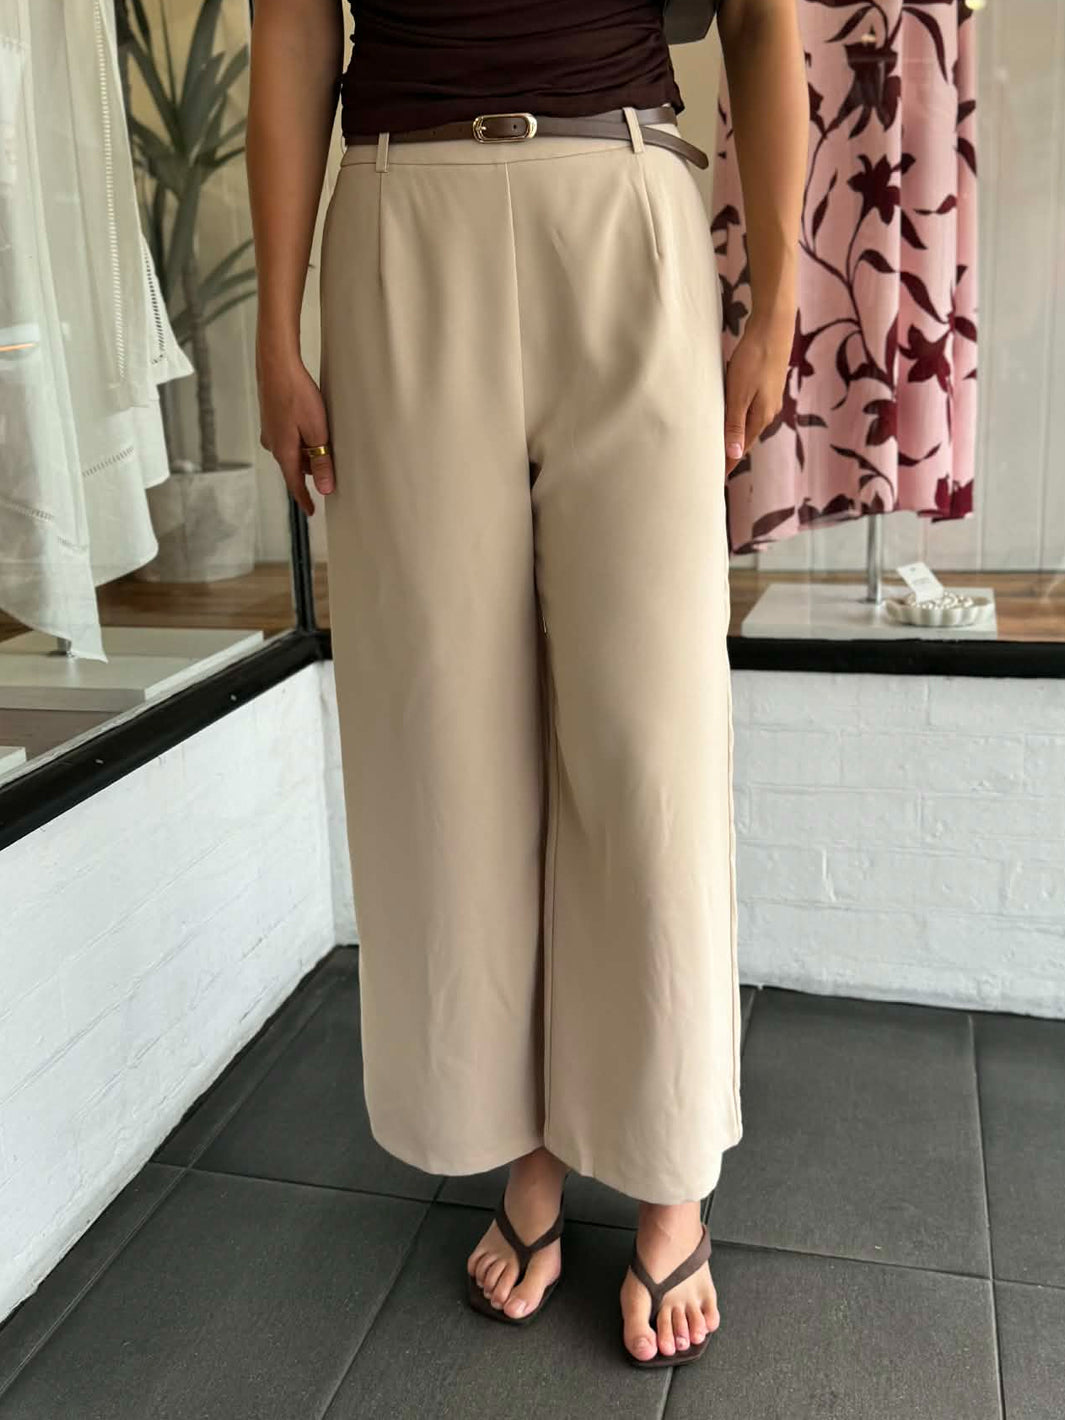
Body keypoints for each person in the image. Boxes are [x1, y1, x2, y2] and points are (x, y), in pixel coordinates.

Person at [247, 0, 806, 1368]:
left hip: (623, 195)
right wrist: (273, 323)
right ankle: (527, 1144)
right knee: (446, 734)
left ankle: (668, 1164)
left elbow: (759, 18)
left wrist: (778, 299)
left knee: (650, 734)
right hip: (401, 209)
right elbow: (293, 28)